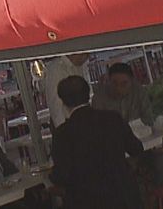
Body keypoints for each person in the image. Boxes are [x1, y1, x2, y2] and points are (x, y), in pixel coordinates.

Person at [51, 75, 145, 208]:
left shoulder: (62, 134)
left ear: (63, 103)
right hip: (123, 197)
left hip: (86, 202)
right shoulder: (112, 119)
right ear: (88, 94)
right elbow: (136, 148)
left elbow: (61, 176)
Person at [43, 53, 91, 127]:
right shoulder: (56, 69)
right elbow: (56, 106)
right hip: (69, 125)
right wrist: (63, 130)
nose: (87, 57)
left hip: (86, 121)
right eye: (85, 54)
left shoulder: (82, 66)